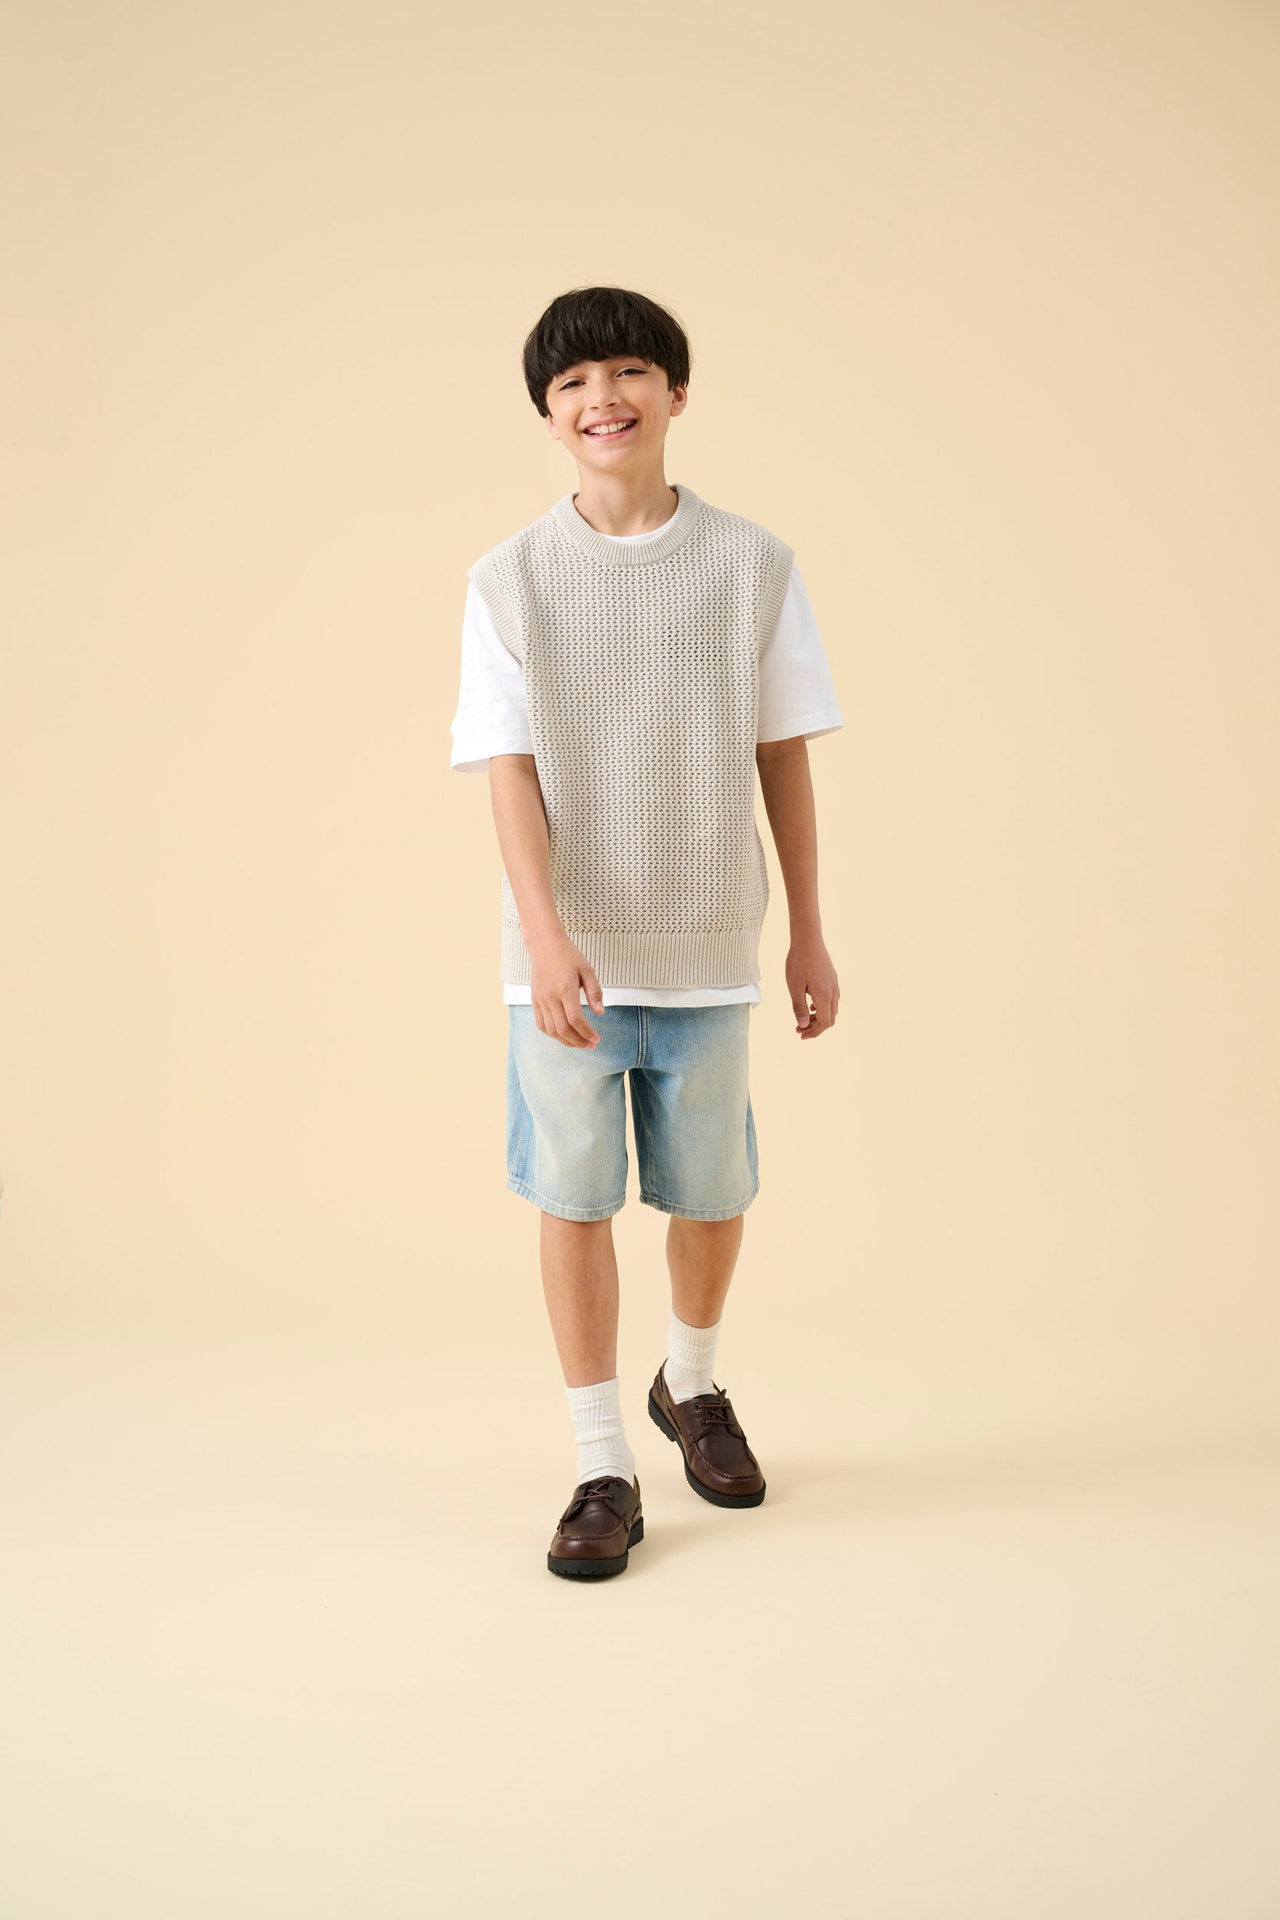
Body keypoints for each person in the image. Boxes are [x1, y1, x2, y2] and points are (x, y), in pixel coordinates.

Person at [449, 285, 844, 1579]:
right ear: (547, 415)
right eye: (571, 382)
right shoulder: (508, 580)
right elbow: (508, 770)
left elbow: (783, 755)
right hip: (563, 963)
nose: (601, 398)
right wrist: (545, 936)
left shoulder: (753, 565)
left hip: (708, 943)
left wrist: (806, 932)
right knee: (573, 1200)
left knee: (713, 1191)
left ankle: (693, 1381)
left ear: (675, 393)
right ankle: (601, 1461)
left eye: (627, 371)